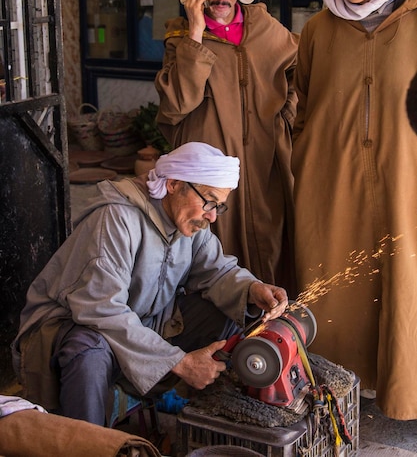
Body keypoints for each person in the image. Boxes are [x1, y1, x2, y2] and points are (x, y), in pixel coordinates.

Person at [12, 142, 288, 426]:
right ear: (174, 184)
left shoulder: (192, 223)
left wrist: (253, 290)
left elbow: (216, 272)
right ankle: (89, 439)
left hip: (139, 322)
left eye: (219, 206)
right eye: (208, 201)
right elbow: (101, 311)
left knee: (226, 310)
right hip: (72, 329)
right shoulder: (116, 219)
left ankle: (181, 411)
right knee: (88, 350)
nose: (212, 216)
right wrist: (179, 362)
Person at [292, 0, 417, 420]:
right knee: (336, 282)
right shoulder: (319, 31)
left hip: (406, 178)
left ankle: (405, 390)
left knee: (406, 282)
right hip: (331, 182)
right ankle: (336, 392)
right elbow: (301, 104)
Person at [154, 0, 298, 289]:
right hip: (211, 169)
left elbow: (301, 71)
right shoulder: (180, 39)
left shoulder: (265, 28)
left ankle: (272, 327)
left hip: (265, 161)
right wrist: (195, 32)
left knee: (273, 240)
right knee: (215, 249)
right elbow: (176, 105)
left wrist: (286, 116)